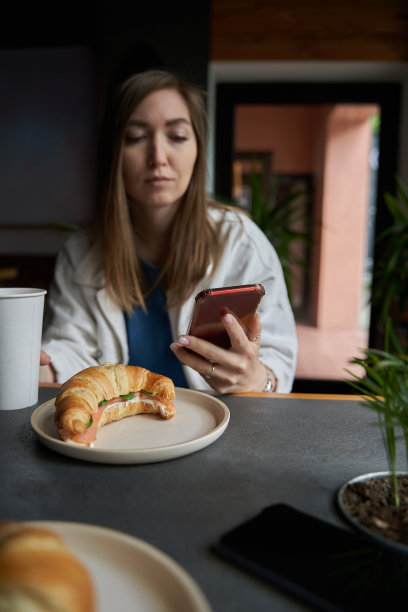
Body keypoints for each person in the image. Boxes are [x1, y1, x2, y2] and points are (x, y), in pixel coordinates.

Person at [40, 69, 297, 394]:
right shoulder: (81, 253)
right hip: (118, 436)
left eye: (176, 137)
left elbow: (278, 362)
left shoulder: (240, 242)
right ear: (114, 155)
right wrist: (44, 366)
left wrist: (257, 379)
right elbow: (71, 347)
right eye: (135, 137)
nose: (158, 158)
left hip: (219, 430)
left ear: (198, 150)